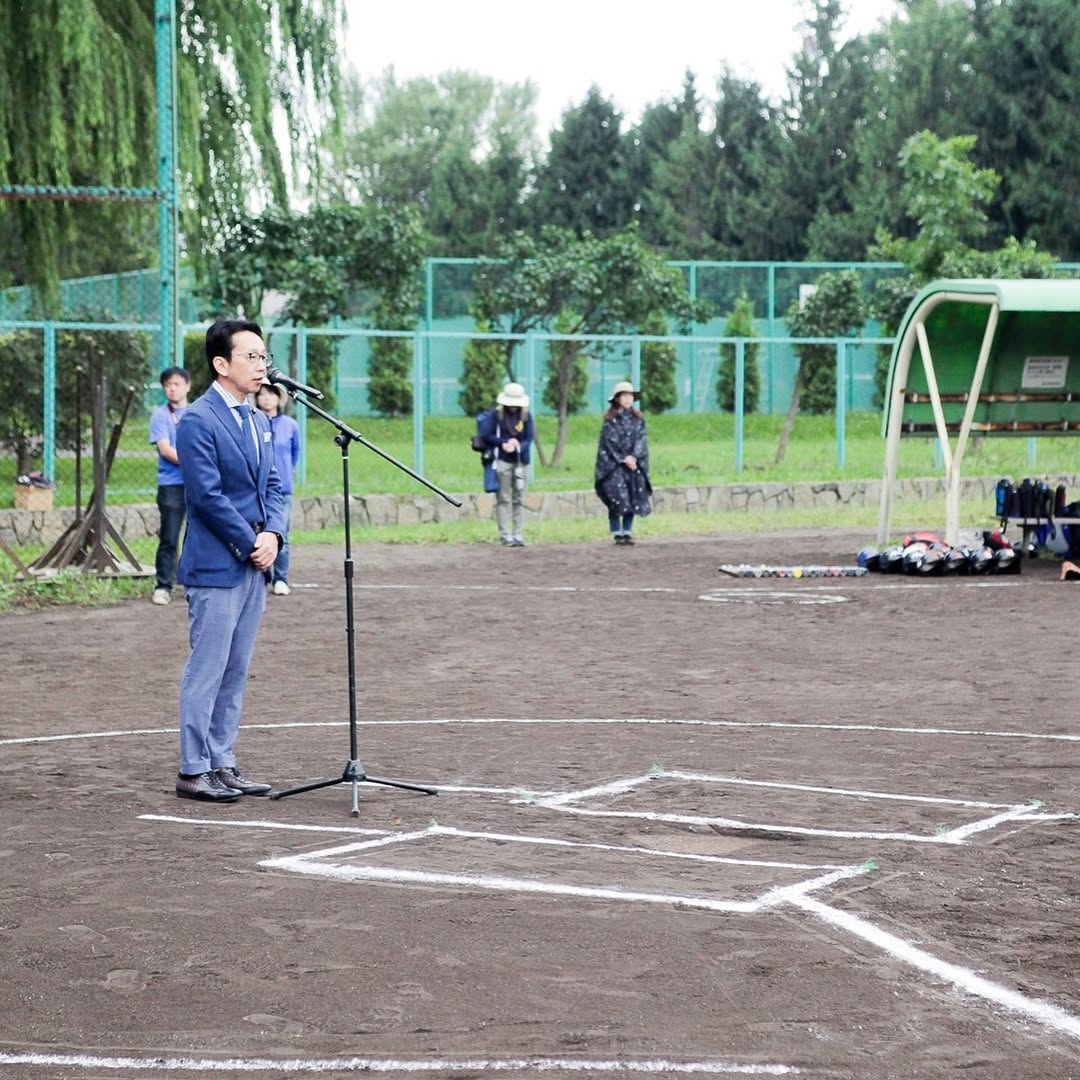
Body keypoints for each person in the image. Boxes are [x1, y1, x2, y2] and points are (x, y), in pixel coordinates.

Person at [173, 319, 287, 803]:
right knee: (209, 668)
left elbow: (275, 486)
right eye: (251, 357)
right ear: (222, 364)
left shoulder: (258, 420)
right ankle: (193, 769)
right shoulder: (198, 420)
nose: (262, 366)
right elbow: (206, 496)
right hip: (217, 566)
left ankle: (222, 760)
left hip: (253, 565)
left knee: (236, 669)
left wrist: (274, 534)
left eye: (264, 357)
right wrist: (251, 541)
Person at [149, 366, 191, 605]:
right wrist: (195, 462)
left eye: (176, 384)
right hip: (171, 485)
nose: (172, 389)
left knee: (196, 536)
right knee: (169, 537)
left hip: (196, 484)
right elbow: (165, 449)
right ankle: (163, 585)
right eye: (168, 385)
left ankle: (192, 583)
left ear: (187, 386)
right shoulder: (160, 415)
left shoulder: (196, 413)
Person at [255, 382, 300, 596]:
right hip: (257, 489)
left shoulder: (290, 425)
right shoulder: (252, 422)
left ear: (279, 399)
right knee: (258, 533)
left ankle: (281, 578)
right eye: (262, 394)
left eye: (271, 394)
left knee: (281, 533)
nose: (266, 398)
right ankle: (261, 577)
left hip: (282, 489)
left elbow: (294, 453)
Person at [477, 382, 535, 546]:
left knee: (519, 498)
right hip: (502, 461)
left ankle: (518, 534)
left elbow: (529, 437)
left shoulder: (526, 416)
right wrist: (503, 443)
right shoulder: (496, 415)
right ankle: (505, 535)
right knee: (503, 498)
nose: (514, 407)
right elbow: (485, 434)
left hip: (521, 463)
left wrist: (518, 446)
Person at [594, 380, 652, 546]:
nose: (628, 399)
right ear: (617, 399)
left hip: (633, 465)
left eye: (630, 396)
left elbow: (641, 439)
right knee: (616, 496)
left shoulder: (638, 419)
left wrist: (634, 457)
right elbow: (609, 443)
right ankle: (616, 532)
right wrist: (623, 458)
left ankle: (627, 531)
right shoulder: (610, 420)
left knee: (632, 495)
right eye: (624, 396)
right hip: (614, 466)